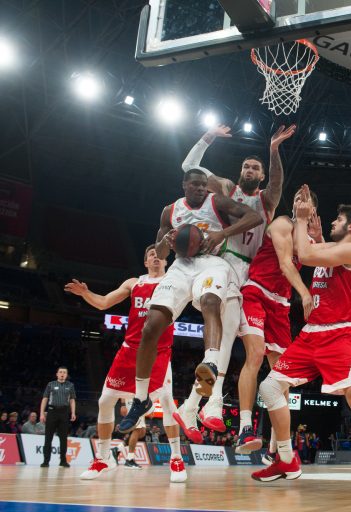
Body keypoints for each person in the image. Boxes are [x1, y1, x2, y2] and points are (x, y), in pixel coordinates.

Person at [252, 186, 351, 490]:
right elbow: (313, 251)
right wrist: (315, 236)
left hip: (340, 333)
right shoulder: (328, 247)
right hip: (310, 335)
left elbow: (304, 255)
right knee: (269, 387)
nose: (332, 221)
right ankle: (286, 459)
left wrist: (301, 220)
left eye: (338, 219)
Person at [118, 169, 263, 433]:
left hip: (212, 263)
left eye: (203, 185)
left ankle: (209, 361)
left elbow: (254, 216)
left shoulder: (216, 201)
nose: (200, 188)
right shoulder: (169, 211)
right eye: (194, 184)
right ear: (184, 185)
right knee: (151, 325)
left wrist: (222, 233)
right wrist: (166, 241)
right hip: (180, 266)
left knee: (210, 301)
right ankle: (140, 400)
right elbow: (160, 254)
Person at [177, 124, 295, 435]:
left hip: (252, 275)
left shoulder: (267, 201)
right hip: (225, 262)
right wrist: (208, 136)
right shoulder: (228, 189)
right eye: (247, 165)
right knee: (225, 337)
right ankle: (210, 402)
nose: (250, 170)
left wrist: (273, 151)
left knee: (228, 341)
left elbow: (278, 180)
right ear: (240, 171)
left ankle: (191, 406)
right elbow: (190, 167)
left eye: (256, 168)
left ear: (261, 175)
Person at [66, 245, 186, 482]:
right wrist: (85, 294)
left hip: (159, 352)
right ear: (145, 262)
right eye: (150, 254)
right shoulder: (134, 283)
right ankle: (103, 458)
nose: (154, 257)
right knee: (105, 400)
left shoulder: (174, 280)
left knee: (168, 406)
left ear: (166, 260)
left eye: (158, 254)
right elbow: (103, 303)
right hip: (130, 351)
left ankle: (176, 459)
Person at [236, 187, 322, 456]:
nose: (298, 202)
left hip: (280, 306)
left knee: (281, 376)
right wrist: (305, 292)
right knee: (255, 354)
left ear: (313, 210)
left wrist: (318, 236)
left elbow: (326, 263)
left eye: (304, 200)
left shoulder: (307, 237)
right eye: (296, 198)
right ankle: (244, 428)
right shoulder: (283, 223)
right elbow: (286, 263)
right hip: (256, 292)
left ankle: (277, 446)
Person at [40, 366, 76, 467]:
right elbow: (45, 398)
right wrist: (42, 413)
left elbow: (72, 400)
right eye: (60, 372)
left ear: (66, 375)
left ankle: (63, 461)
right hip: (52, 412)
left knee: (63, 438)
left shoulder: (70, 385)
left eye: (64, 372)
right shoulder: (50, 384)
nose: (62, 374)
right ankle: (46, 461)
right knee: (48, 438)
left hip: (64, 413)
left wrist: (73, 412)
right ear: (57, 374)